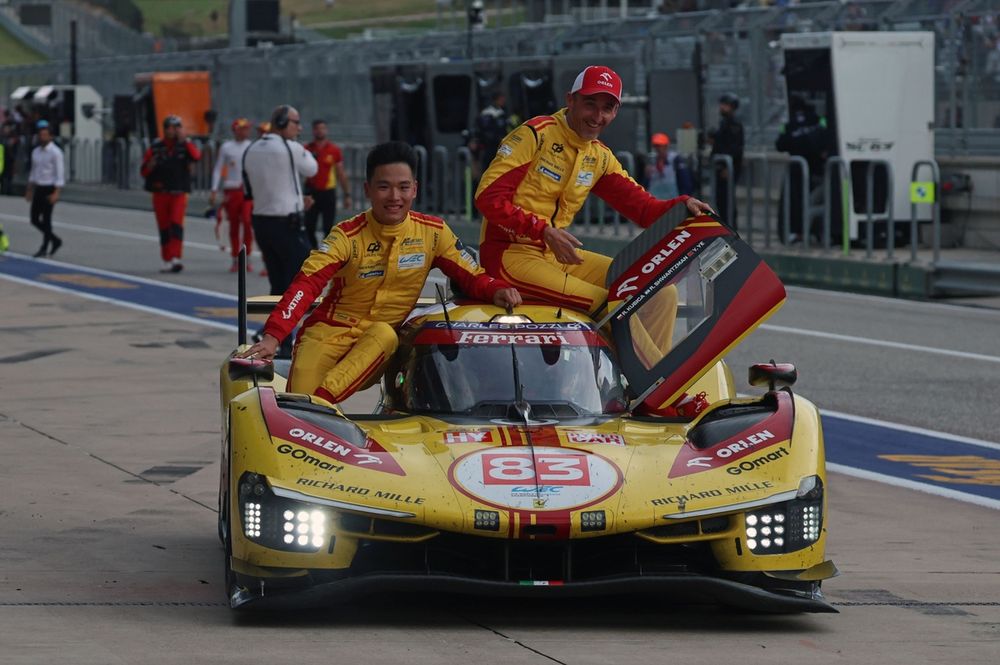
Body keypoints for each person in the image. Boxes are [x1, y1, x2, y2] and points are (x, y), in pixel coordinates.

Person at [239, 141, 522, 404]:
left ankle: (321, 405)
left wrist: (496, 289)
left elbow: (473, 276)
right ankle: (315, 409)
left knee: (385, 334)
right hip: (325, 335)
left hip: (377, 345)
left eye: (403, 187)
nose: (395, 197)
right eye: (384, 187)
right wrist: (273, 336)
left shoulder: (434, 234)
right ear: (367, 190)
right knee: (297, 408)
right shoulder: (346, 235)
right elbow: (306, 285)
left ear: (415, 189)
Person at [475, 65, 713, 316]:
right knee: (614, 306)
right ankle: (641, 355)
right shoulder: (534, 135)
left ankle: (653, 358)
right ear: (571, 100)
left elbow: (644, 210)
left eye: (607, 108)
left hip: (556, 257)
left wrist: (683, 205)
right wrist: (543, 232)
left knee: (659, 291)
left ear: (616, 111)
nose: (597, 116)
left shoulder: (599, 156)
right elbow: (487, 198)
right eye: (590, 104)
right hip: (509, 256)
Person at [241, 105, 317, 297]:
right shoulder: (290, 147)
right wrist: (301, 148)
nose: (299, 128)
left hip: (261, 222)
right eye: (296, 122)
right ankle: (290, 324)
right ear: (282, 122)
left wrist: (297, 199)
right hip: (287, 223)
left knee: (277, 281)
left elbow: (265, 187)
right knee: (306, 276)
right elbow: (312, 169)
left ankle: (275, 326)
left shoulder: (252, 148)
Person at [140, 115, 201, 273]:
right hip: (160, 192)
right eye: (170, 128)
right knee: (164, 226)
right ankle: (166, 258)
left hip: (179, 192)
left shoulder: (185, 146)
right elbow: (144, 171)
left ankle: (175, 257)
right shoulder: (156, 147)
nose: (173, 131)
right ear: (165, 129)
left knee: (176, 224)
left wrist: (185, 140)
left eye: (176, 128)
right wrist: (151, 165)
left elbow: (196, 156)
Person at [775, 95, 834, 244]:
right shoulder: (818, 119)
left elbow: (780, 145)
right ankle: (817, 233)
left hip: (798, 171)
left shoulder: (789, 123)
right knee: (815, 202)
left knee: (799, 203)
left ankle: (798, 233)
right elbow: (827, 138)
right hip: (818, 170)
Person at [210, 117, 255, 272]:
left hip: (248, 190)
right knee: (234, 224)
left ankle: (247, 256)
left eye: (247, 129)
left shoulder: (252, 146)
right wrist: (214, 189)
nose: (246, 131)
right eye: (243, 128)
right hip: (232, 189)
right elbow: (218, 168)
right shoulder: (227, 147)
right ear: (235, 130)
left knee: (248, 222)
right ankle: (236, 258)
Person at [304, 119, 352, 249]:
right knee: (309, 226)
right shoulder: (306, 149)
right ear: (313, 130)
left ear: (326, 130)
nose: (320, 131)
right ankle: (312, 254)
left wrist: (347, 194)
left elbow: (341, 173)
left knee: (328, 227)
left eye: (322, 128)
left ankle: (326, 256)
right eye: (317, 128)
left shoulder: (334, 150)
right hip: (310, 193)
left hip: (328, 193)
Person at [25, 120, 65, 257]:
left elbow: (59, 174)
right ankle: (55, 240)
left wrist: (56, 192)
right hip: (39, 187)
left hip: (50, 187)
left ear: (50, 136)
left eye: (45, 135)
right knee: (34, 219)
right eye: (40, 135)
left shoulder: (55, 153)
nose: (42, 137)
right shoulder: (36, 152)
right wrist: (29, 189)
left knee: (47, 219)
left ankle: (44, 247)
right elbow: (33, 171)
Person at [708, 92, 744, 230]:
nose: (722, 107)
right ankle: (724, 227)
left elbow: (734, 148)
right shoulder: (724, 123)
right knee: (720, 200)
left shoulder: (734, 124)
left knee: (727, 200)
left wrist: (726, 167)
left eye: (725, 105)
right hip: (721, 167)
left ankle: (730, 228)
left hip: (728, 168)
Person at [472, 91, 508, 175]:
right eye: (501, 99)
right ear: (496, 100)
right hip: (489, 146)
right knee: (488, 169)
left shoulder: (502, 113)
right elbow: (485, 131)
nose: (503, 100)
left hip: (500, 146)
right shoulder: (488, 113)